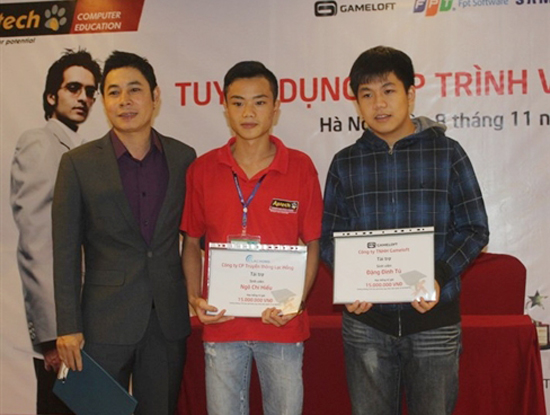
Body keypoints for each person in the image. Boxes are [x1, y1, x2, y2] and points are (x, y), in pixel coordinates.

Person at [321, 46, 489, 415]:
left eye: (388, 90)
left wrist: (438, 276)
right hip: (366, 325)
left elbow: (475, 228)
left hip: (433, 322)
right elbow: (330, 236)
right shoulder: (345, 163)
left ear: (411, 94)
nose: (378, 104)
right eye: (367, 94)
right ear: (356, 103)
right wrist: (350, 282)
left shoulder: (447, 153)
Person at [53, 51, 196, 415]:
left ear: (155, 96)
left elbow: (199, 234)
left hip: (166, 321)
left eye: (134, 90)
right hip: (102, 323)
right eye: (114, 92)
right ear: (104, 101)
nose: (124, 101)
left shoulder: (183, 158)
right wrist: (67, 326)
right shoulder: (78, 163)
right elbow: (65, 251)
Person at [181, 61, 323, 415]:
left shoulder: (301, 167)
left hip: (281, 324)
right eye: (238, 102)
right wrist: (195, 298)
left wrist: (296, 304)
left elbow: (313, 244)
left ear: (276, 108)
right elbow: (191, 243)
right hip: (223, 324)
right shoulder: (202, 170)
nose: (248, 112)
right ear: (225, 107)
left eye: (259, 102)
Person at [10, 48, 101, 415]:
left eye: (90, 91)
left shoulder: (79, 149)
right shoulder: (40, 143)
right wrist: (51, 336)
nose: (83, 98)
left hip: (82, 323)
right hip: (60, 333)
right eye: (73, 88)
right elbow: (35, 243)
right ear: (51, 96)